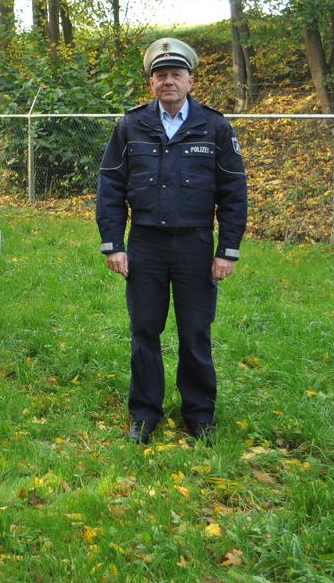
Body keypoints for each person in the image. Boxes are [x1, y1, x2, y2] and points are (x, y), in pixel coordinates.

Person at [96, 38, 248, 445]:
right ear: (151, 83)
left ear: (190, 80)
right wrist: (114, 243)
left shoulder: (215, 126)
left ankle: (199, 415)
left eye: (176, 75)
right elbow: (110, 186)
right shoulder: (130, 126)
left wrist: (227, 250)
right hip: (145, 244)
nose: (168, 81)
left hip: (196, 246)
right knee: (145, 331)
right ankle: (145, 414)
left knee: (195, 332)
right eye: (160, 75)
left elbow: (233, 191)